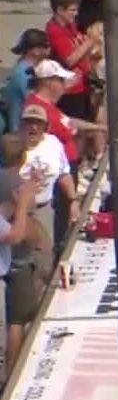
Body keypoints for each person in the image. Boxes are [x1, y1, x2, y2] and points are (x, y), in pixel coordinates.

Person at [0, 136, 45, 367]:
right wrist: (25, 201)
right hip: (17, 259)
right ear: (23, 156)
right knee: (16, 321)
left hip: (8, 260)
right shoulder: (19, 185)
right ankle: (12, 375)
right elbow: (22, 230)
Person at [17, 105, 77, 261]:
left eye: (38, 123)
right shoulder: (11, 146)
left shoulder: (53, 143)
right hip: (17, 212)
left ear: (46, 126)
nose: (34, 127)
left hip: (44, 208)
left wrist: (73, 201)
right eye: (29, 122)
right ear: (21, 124)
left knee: (45, 258)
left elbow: (64, 173)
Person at [44, 0, 98, 125]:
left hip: (83, 83)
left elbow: (80, 47)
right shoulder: (54, 30)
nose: (76, 14)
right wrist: (90, 41)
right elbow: (70, 60)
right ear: (60, 10)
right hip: (70, 90)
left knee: (88, 123)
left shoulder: (70, 26)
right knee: (75, 128)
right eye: (72, 10)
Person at [3, 29, 50, 132]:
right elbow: (35, 100)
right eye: (45, 47)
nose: (48, 50)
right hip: (20, 129)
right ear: (35, 50)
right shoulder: (23, 73)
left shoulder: (25, 68)